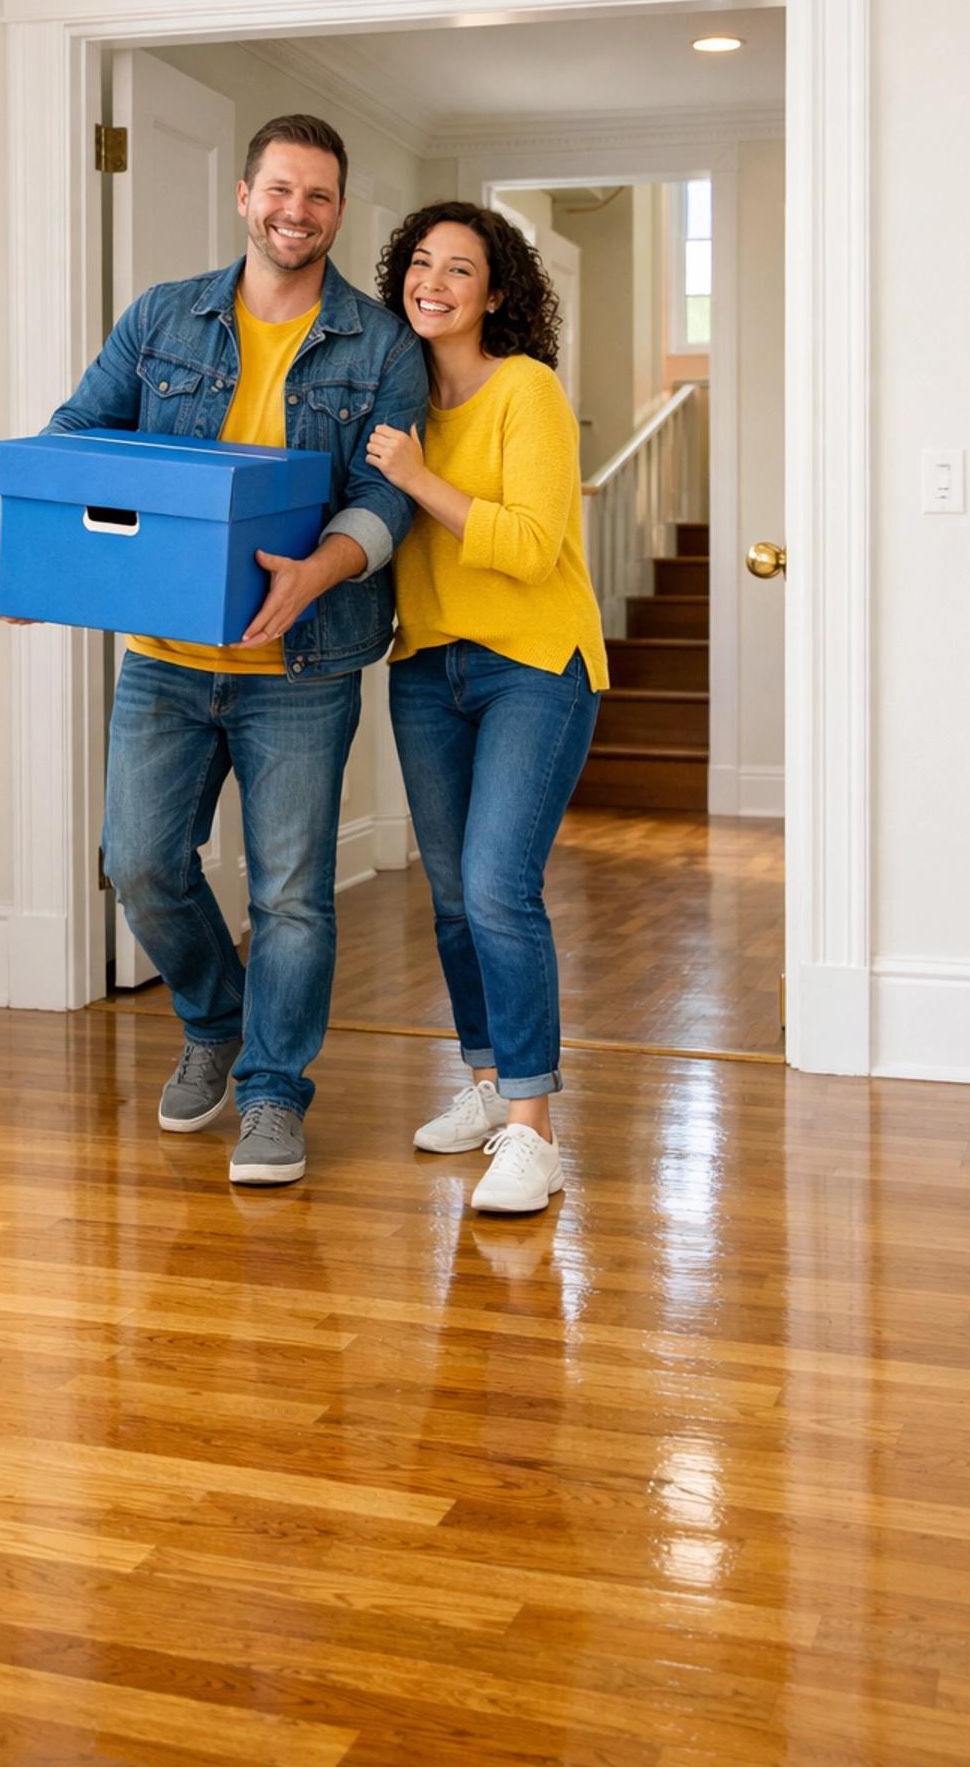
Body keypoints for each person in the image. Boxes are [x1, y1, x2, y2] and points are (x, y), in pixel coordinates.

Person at [0, 115, 426, 1186]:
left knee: (291, 896)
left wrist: (318, 570)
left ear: (338, 210)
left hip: (304, 667)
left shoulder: (381, 345)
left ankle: (274, 1094)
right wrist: (27, 547)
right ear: (244, 195)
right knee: (139, 863)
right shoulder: (162, 317)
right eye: (280, 189)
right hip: (167, 659)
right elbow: (77, 433)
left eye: (318, 196)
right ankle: (215, 1021)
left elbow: (385, 498)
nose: (296, 212)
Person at [366, 202, 608, 1216]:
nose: (434, 282)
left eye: (460, 268)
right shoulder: (396, 398)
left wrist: (418, 478)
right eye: (421, 263)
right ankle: (486, 1083)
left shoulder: (526, 390)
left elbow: (531, 546)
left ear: (496, 292)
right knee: (456, 897)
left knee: (500, 886)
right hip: (427, 666)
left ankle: (533, 1132)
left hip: (533, 667)